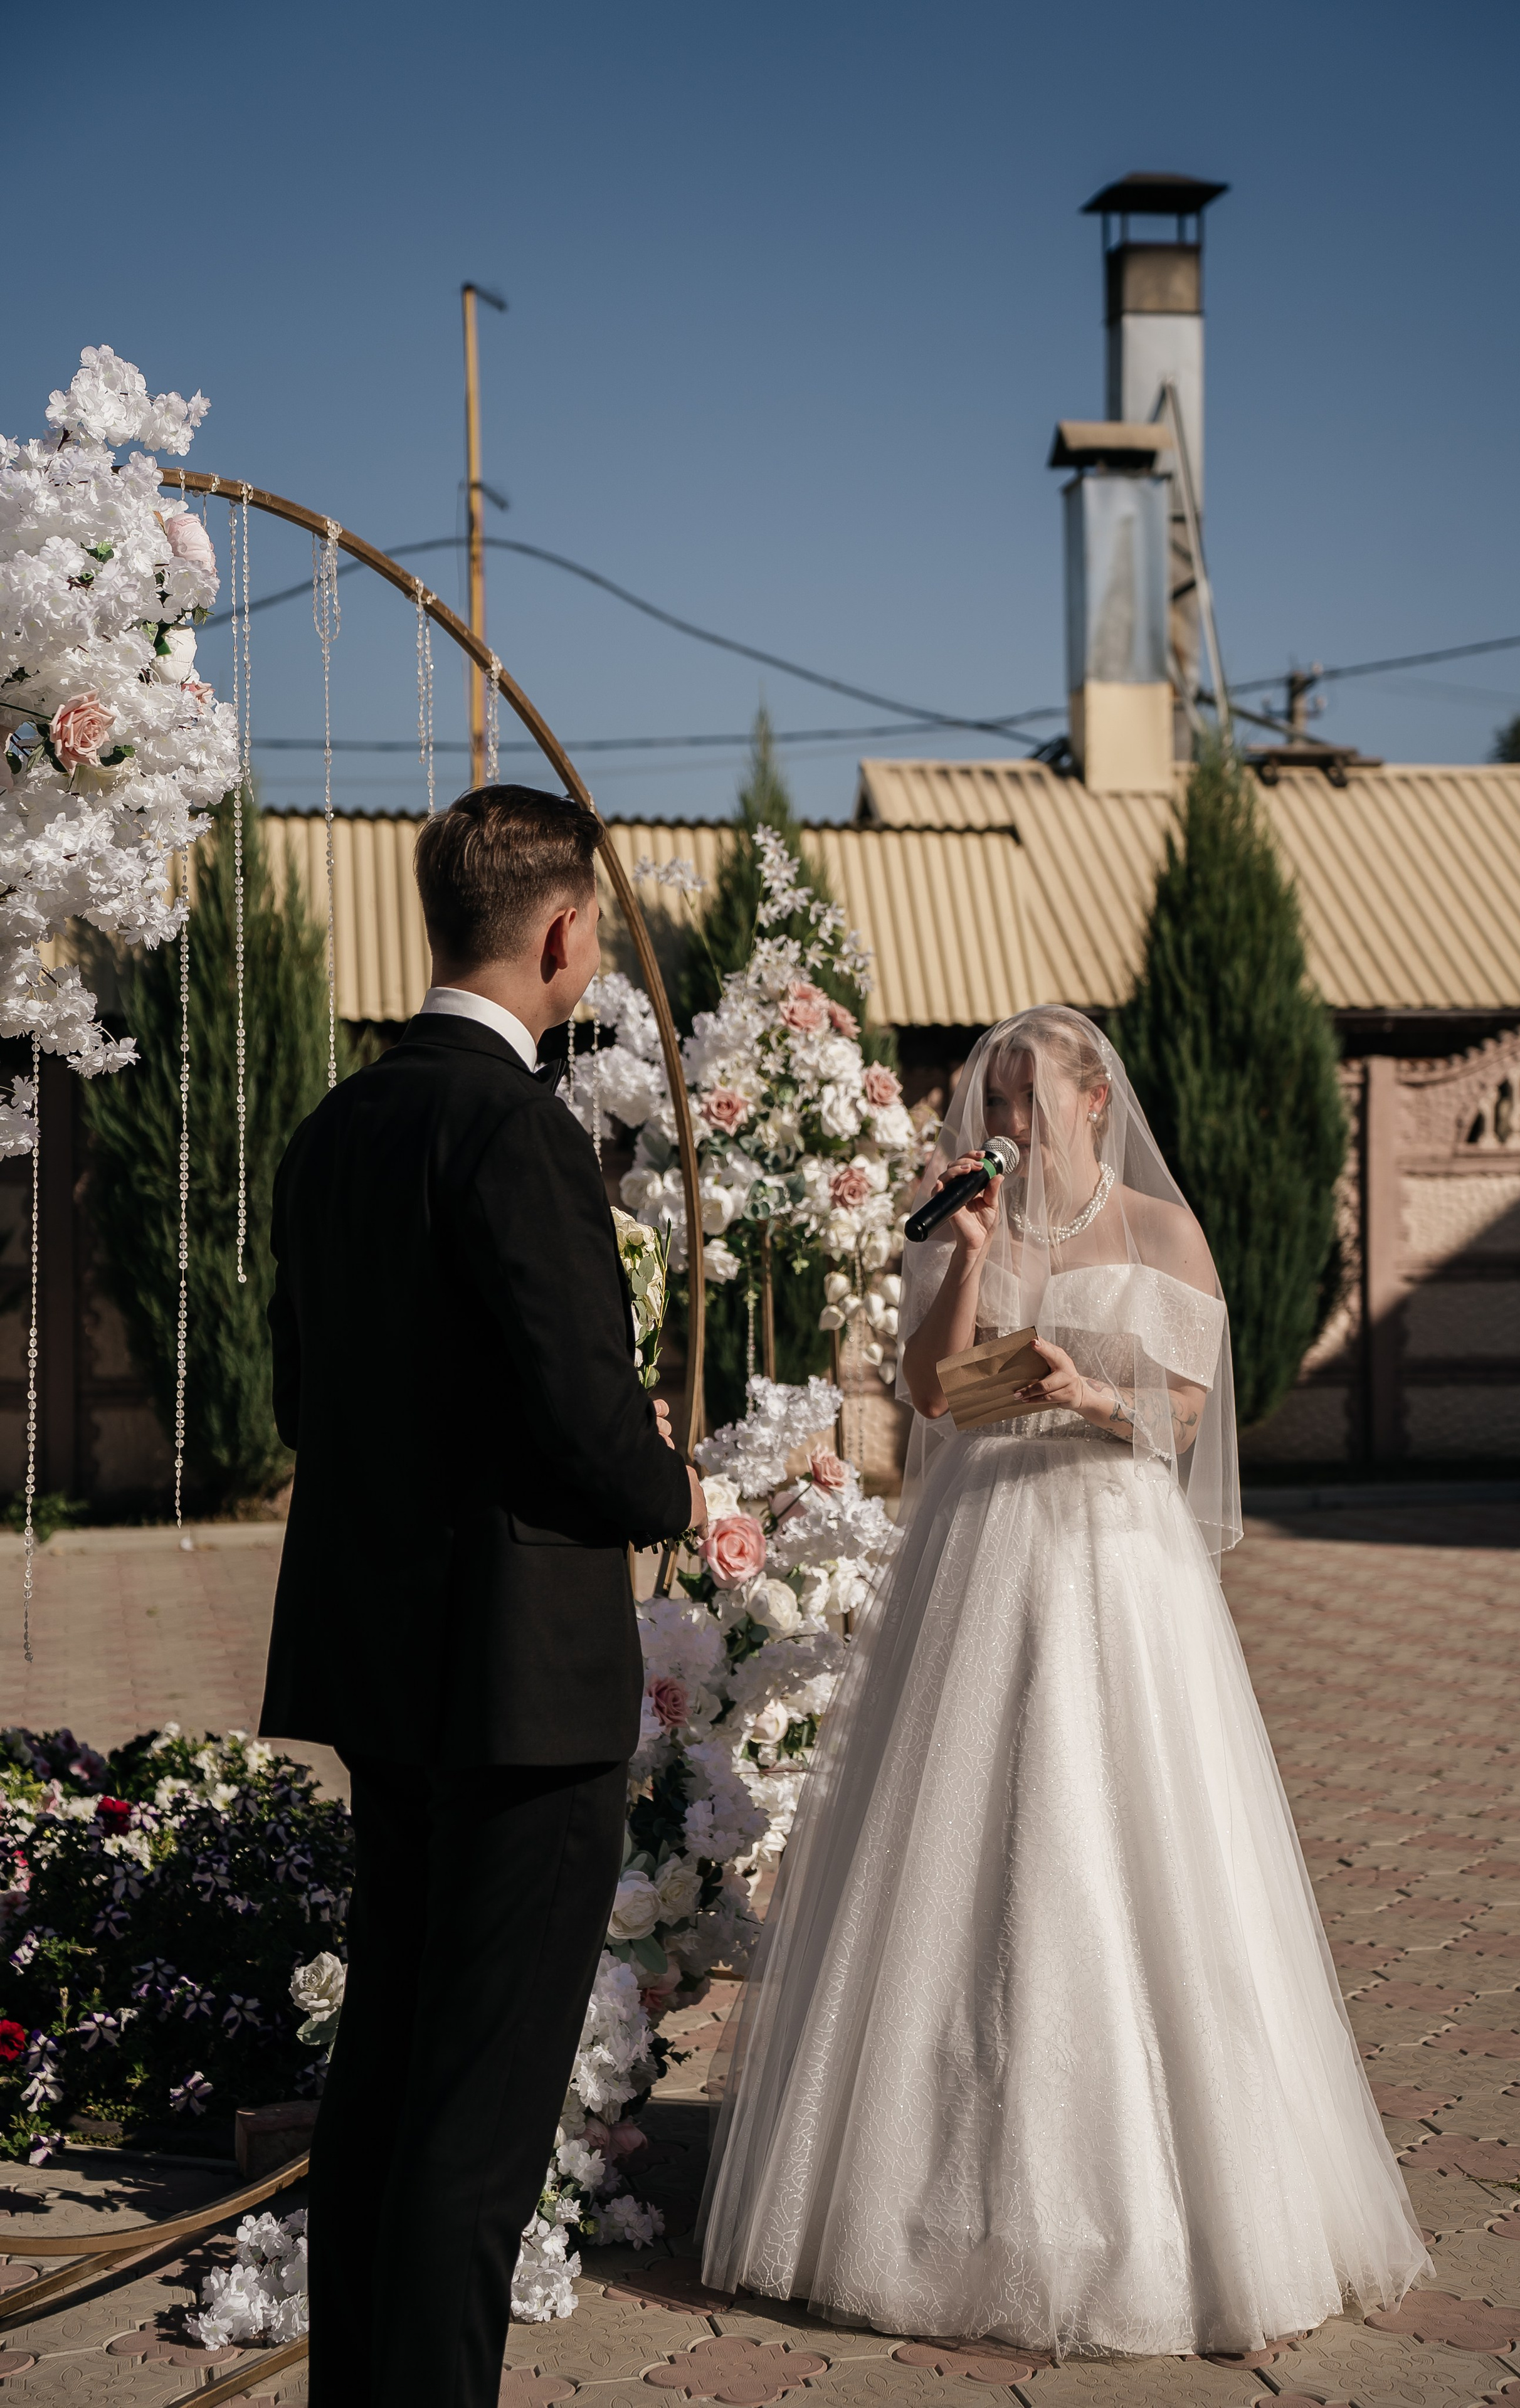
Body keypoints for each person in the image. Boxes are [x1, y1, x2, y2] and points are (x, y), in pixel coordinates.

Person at [698, 1006, 1427, 2358]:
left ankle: (1173, 2206)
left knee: (1129, 1839)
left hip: (1116, 1558)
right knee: (966, 1850)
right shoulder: (969, 1225)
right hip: (982, 1555)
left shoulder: (1159, 1231)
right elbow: (927, 1394)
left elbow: (1193, 1413)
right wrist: (971, 1257)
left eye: (1030, 1098)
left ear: (1096, 1098)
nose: (1009, 1124)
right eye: (997, 1100)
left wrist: (1090, 1397)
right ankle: (930, 2190)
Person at [261, 786, 705, 2407]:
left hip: (383, 1663)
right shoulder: (517, 1129)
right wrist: (674, 1487)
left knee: (385, 2078)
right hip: (520, 1687)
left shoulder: (339, 1124)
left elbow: (301, 1399)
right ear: (566, 932)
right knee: (480, 2117)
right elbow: (581, 1412)